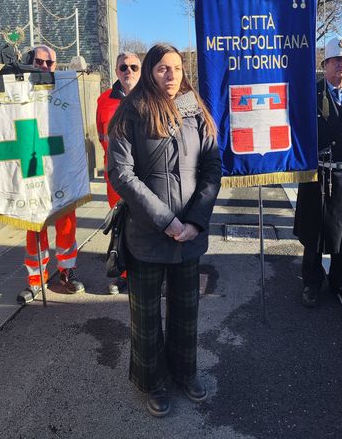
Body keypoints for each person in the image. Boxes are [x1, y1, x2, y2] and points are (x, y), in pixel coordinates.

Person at [107, 43, 222, 417]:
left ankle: (185, 372)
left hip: (190, 233)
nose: (170, 75)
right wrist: (166, 221)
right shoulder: (130, 112)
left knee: (186, 311)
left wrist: (194, 221)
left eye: (176, 67)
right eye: (162, 68)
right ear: (150, 72)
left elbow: (211, 167)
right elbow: (121, 174)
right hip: (146, 234)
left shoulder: (195, 110)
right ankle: (152, 381)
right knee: (145, 317)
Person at [294, 36, 342, 308]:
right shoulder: (309, 95)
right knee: (314, 232)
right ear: (325, 64)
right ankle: (311, 282)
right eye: (337, 60)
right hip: (318, 173)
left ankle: (340, 281)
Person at [17, 45, 84, 304]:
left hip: (60, 166)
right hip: (32, 162)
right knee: (35, 223)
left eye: (50, 63)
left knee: (66, 221)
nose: (44, 67)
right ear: (30, 62)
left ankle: (67, 270)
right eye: (39, 61)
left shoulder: (65, 88)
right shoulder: (19, 89)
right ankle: (36, 279)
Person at [96, 51, 141, 294]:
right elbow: (100, 135)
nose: (129, 72)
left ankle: (148, 273)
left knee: (148, 223)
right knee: (121, 226)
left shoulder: (150, 97)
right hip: (115, 177)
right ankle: (124, 274)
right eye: (124, 67)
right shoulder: (103, 100)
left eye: (134, 67)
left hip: (145, 175)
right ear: (116, 71)